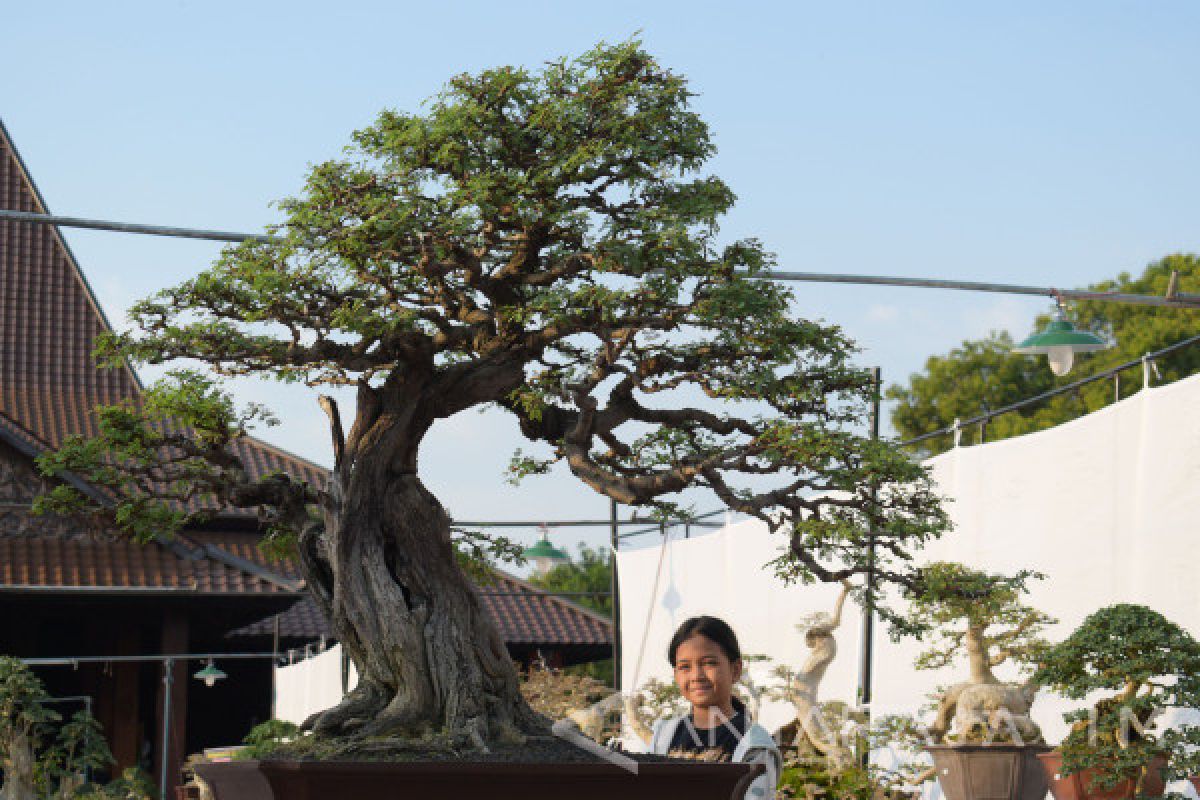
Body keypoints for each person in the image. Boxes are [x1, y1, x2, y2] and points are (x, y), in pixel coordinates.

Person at [649, 616, 781, 799]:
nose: (696, 676)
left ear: (735, 670)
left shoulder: (754, 746)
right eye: (685, 667)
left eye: (709, 663)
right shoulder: (663, 737)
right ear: (676, 675)